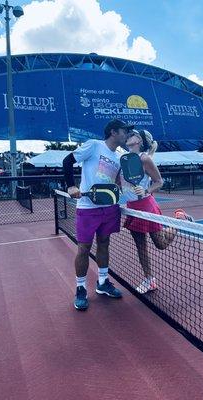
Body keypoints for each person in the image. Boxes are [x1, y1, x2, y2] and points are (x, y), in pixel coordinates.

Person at [63, 119, 133, 311]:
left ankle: (103, 282)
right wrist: (70, 185)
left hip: (109, 208)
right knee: (84, 248)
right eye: (124, 131)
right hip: (87, 208)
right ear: (113, 132)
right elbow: (67, 161)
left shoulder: (120, 157)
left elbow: (117, 182)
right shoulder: (94, 146)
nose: (126, 135)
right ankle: (80, 288)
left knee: (104, 243)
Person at [121, 130, 194, 294]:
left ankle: (180, 220)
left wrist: (146, 191)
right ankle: (149, 280)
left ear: (139, 140)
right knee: (141, 246)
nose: (128, 136)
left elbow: (159, 182)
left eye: (132, 134)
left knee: (160, 244)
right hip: (132, 207)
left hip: (147, 206)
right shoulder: (125, 159)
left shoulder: (145, 158)